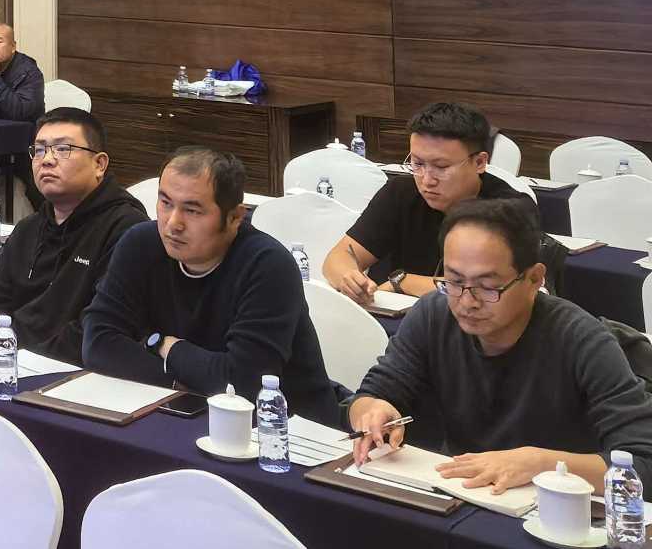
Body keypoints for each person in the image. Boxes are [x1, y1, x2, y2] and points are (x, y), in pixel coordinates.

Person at [349, 198, 652, 491]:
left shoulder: (581, 340)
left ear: (534, 279)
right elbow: (369, 396)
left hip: (556, 504)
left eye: (488, 287)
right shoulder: (433, 315)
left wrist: (542, 464)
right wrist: (374, 411)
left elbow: (642, 464)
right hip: (463, 489)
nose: (468, 301)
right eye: (454, 281)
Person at [82, 147, 344, 423]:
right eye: (165, 203)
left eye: (192, 210)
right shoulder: (140, 243)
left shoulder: (267, 265)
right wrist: (180, 382)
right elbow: (97, 343)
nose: (173, 224)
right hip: (179, 413)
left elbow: (243, 383)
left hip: (286, 429)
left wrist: (165, 347)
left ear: (235, 217)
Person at [0, 108, 148, 362]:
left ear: (99, 164)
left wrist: (18, 355)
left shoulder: (126, 229)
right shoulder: (28, 228)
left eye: (62, 149)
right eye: (39, 150)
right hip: (8, 359)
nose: (46, 160)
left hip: (69, 369)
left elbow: (97, 329)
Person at [323, 102, 534, 304]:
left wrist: (403, 282)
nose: (426, 180)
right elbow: (338, 257)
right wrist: (349, 278)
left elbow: (491, 289)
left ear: (479, 162)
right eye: (417, 164)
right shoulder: (401, 192)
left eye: (441, 167)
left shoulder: (510, 208)